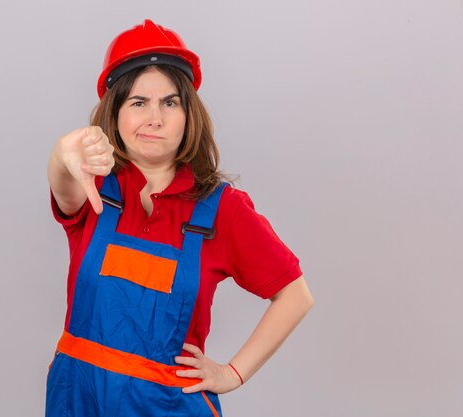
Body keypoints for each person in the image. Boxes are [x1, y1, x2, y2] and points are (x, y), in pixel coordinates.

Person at [46, 19, 314, 417]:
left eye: (169, 102)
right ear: (114, 112)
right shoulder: (93, 188)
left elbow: (295, 295)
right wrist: (64, 153)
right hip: (79, 398)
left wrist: (232, 374)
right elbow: (63, 181)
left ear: (189, 114)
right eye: (138, 103)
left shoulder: (222, 209)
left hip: (169, 407)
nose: (155, 118)